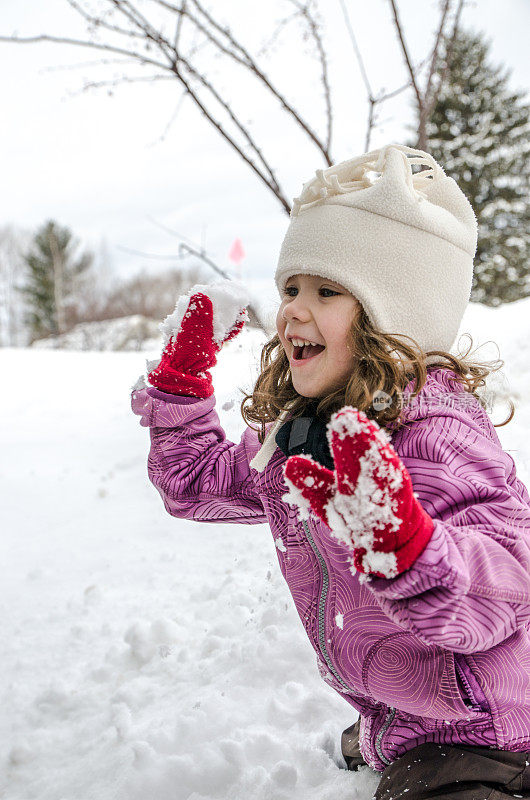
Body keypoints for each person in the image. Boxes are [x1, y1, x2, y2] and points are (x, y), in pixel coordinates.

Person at [131, 143, 530, 798]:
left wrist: (409, 548)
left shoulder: (436, 436)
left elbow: (507, 583)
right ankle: (391, 730)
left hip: (488, 730)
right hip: (404, 712)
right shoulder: (302, 439)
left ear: (391, 315)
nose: (291, 308)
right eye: (290, 287)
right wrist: (179, 390)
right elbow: (194, 485)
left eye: (325, 290)